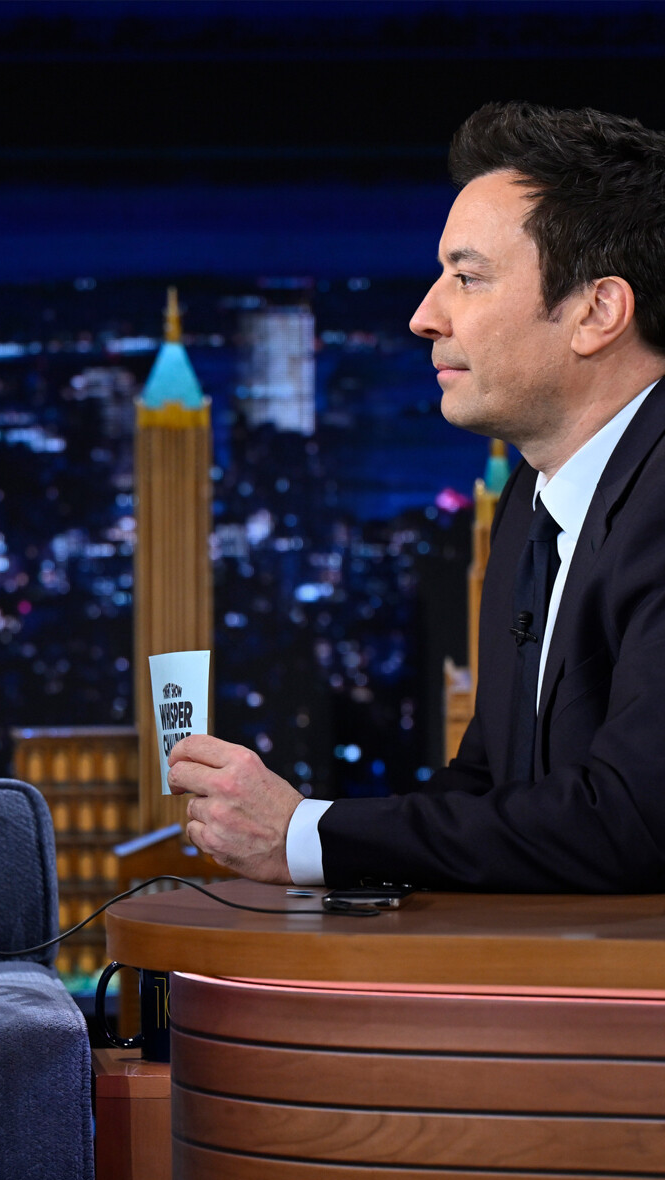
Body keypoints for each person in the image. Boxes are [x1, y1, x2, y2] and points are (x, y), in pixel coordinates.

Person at [169, 101, 665, 893]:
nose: (423, 316)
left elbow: (634, 821)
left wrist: (305, 836)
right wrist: (304, 834)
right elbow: (496, 788)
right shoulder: (532, 502)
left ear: (597, 312)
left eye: (467, 278)